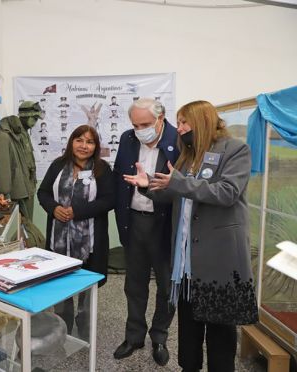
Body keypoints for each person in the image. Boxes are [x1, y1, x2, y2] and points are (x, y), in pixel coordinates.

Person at [123, 100, 259, 371]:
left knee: (220, 332)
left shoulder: (235, 150)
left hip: (219, 259)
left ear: (203, 121)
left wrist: (179, 182)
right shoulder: (189, 155)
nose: (181, 128)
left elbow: (226, 192)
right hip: (186, 260)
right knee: (189, 329)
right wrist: (148, 185)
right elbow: (176, 192)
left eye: (185, 122)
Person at [112, 98, 179, 366]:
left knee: (166, 286)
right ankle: (134, 336)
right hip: (134, 220)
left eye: (146, 124)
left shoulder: (178, 141)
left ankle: (160, 337)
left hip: (166, 223)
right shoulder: (128, 140)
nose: (141, 130)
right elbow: (120, 177)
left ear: (161, 119)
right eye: (136, 124)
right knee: (134, 284)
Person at [37, 124, 115, 338]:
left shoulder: (102, 169)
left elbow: (109, 200)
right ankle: (63, 324)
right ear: (71, 142)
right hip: (59, 240)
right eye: (79, 140)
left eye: (90, 142)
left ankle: (84, 322)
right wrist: (54, 209)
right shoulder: (57, 166)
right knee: (61, 285)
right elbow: (43, 193)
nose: (84, 146)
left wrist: (77, 211)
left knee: (86, 286)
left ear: (95, 146)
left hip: (89, 242)